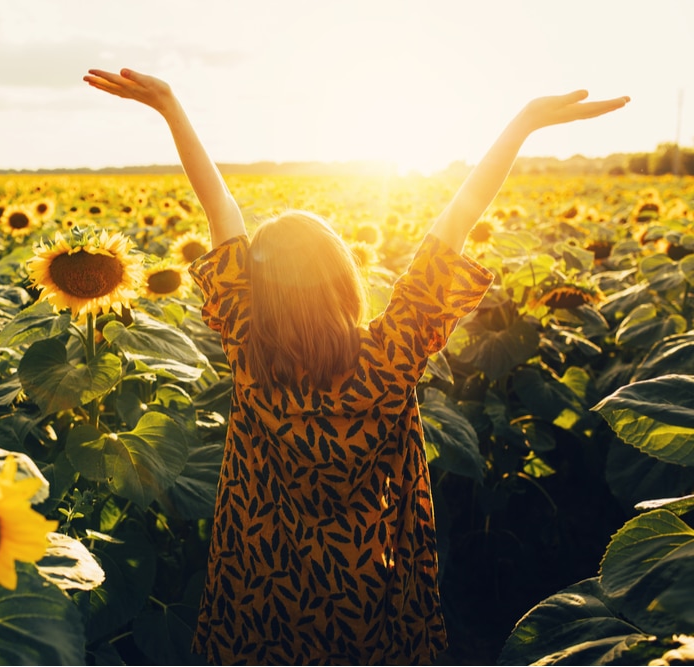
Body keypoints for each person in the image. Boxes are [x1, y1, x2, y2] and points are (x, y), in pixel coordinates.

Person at [84, 67, 629, 665]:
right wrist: (520, 125)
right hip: (366, 588)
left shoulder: (249, 349)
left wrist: (170, 107)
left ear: (260, 290)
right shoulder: (392, 355)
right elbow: (457, 223)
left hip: (260, 584)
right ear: (344, 280)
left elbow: (221, 209)